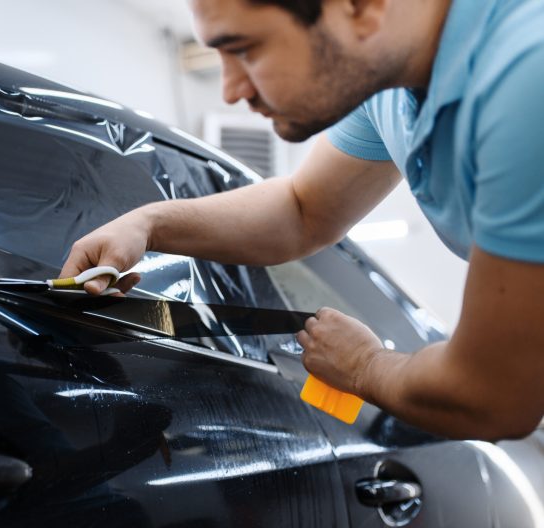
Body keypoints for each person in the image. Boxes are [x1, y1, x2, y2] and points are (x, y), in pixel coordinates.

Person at [59, 0, 544, 441]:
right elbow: (302, 209)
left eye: (246, 49)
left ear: (362, 7)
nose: (230, 90)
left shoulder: (527, 74)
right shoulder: (387, 89)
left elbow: (494, 395)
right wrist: (147, 224)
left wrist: (365, 365)